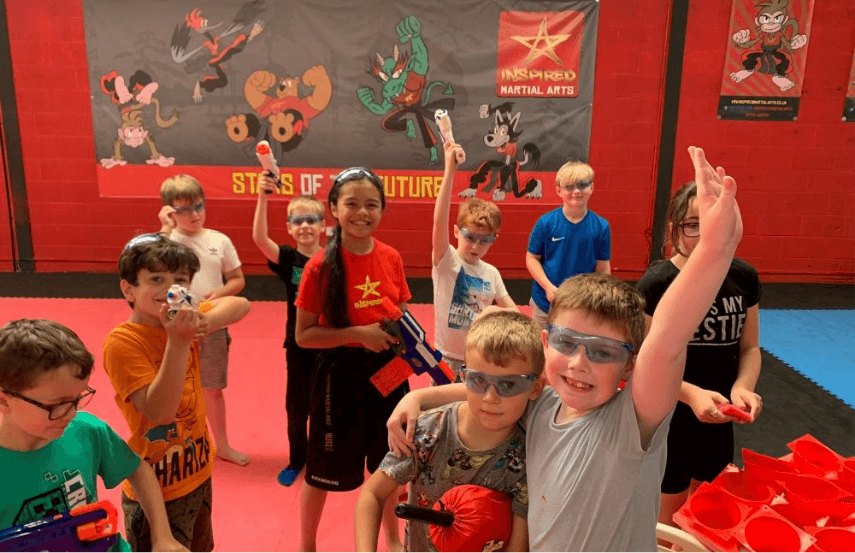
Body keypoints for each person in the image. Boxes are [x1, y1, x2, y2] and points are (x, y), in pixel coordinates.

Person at [386, 146, 744, 551]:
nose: (579, 363)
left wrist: (715, 252)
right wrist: (420, 396)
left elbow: (666, 339)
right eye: (567, 343)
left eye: (603, 352)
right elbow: (502, 384)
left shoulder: (633, 421)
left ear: (630, 365)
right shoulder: (540, 402)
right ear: (545, 341)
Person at [103, 233, 251, 552]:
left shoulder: (183, 321)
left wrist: (203, 322)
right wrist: (179, 341)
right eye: (155, 279)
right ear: (128, 288)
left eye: (180, 280)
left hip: (197, 472)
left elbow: (241, 304)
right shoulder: (123, 342)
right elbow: (160, 413)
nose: (169, 289)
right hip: (156, 488)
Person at [355, 310, 542, 553]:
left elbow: (516, 548)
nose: (490, 397)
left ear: (535, 388)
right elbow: (372, 494)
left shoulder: (529, 455)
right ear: (465, 379)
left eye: (509, 384)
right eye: (477, 380)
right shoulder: (429, 432)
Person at [636, 180, 763, 528]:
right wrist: (690, 394)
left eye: (712, 224)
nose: (705, 235)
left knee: (708, 506)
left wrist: (743, 387)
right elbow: (640, 362)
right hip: (670, 417)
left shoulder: (743, 277)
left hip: (719, 418)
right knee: (667, 512)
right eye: (693, 225)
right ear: (675, 228)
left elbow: (750, 347)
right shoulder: (657, 282)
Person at [294, 167, 408, 553]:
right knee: (322, 468)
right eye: (352, 204)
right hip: (338, 378)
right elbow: (304, 336)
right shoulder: (319, 267)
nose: (362, 212)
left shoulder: (392, 257)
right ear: (333, 209)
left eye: (371, 205)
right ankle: (306, 545)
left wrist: (406, 341)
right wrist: (360, 335)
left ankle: (392, 538)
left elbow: (401, 311)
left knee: (391, 463)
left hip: (389, 374)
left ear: (383, 210)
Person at [0, 318, 188, 553]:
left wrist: (163, 537)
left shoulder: (86, 429)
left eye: (77, 398)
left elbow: (138, 469)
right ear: (4, 400)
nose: (70, 413)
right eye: (56, 405)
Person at [157, 174, 250, 466]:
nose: (194, 215)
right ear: (170, 211)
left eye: (199, 206)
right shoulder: (166, 241)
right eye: (184, 210)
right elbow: (152, 269)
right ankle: (177, 444)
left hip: (211, 323)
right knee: (174, 388)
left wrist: (217, 293)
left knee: (212, 388)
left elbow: (237, 280)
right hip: (174, 326)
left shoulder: (219, 240)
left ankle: (221, 444)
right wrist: (164, 228)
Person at [252, 173, 325, 486]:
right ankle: (298, 459)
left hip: (329, 345)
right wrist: (263, 197)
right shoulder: (288, 259)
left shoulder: (334, 258)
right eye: (297, 221)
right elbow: (259, 239)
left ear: (324, 225)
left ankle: (324, 459)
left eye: (311, 220)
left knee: (326, 406)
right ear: (290, 228)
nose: (305, 226)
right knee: (296, 408)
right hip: (297, 346)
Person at [432, 140, 517, 376]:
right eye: (470, 237)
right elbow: (438, 221)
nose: (476, 246)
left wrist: (493, 312)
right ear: (457, 231)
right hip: (446, 360)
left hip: (479, 359)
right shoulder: (446, 261)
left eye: (486, 240)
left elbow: (515, 313)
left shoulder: (491, 273)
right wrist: (450, 171)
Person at [525, 160, 611, 328]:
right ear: (559, 190)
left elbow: (603, 268)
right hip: (544, 304)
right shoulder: (546, 223)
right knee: (539, 350)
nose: (576, 191)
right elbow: (531, 258)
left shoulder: (601, 227)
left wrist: (598, 298)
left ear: (591, 187)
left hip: (581, 307)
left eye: (582, 185)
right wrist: (548, 287)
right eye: (569, 187)